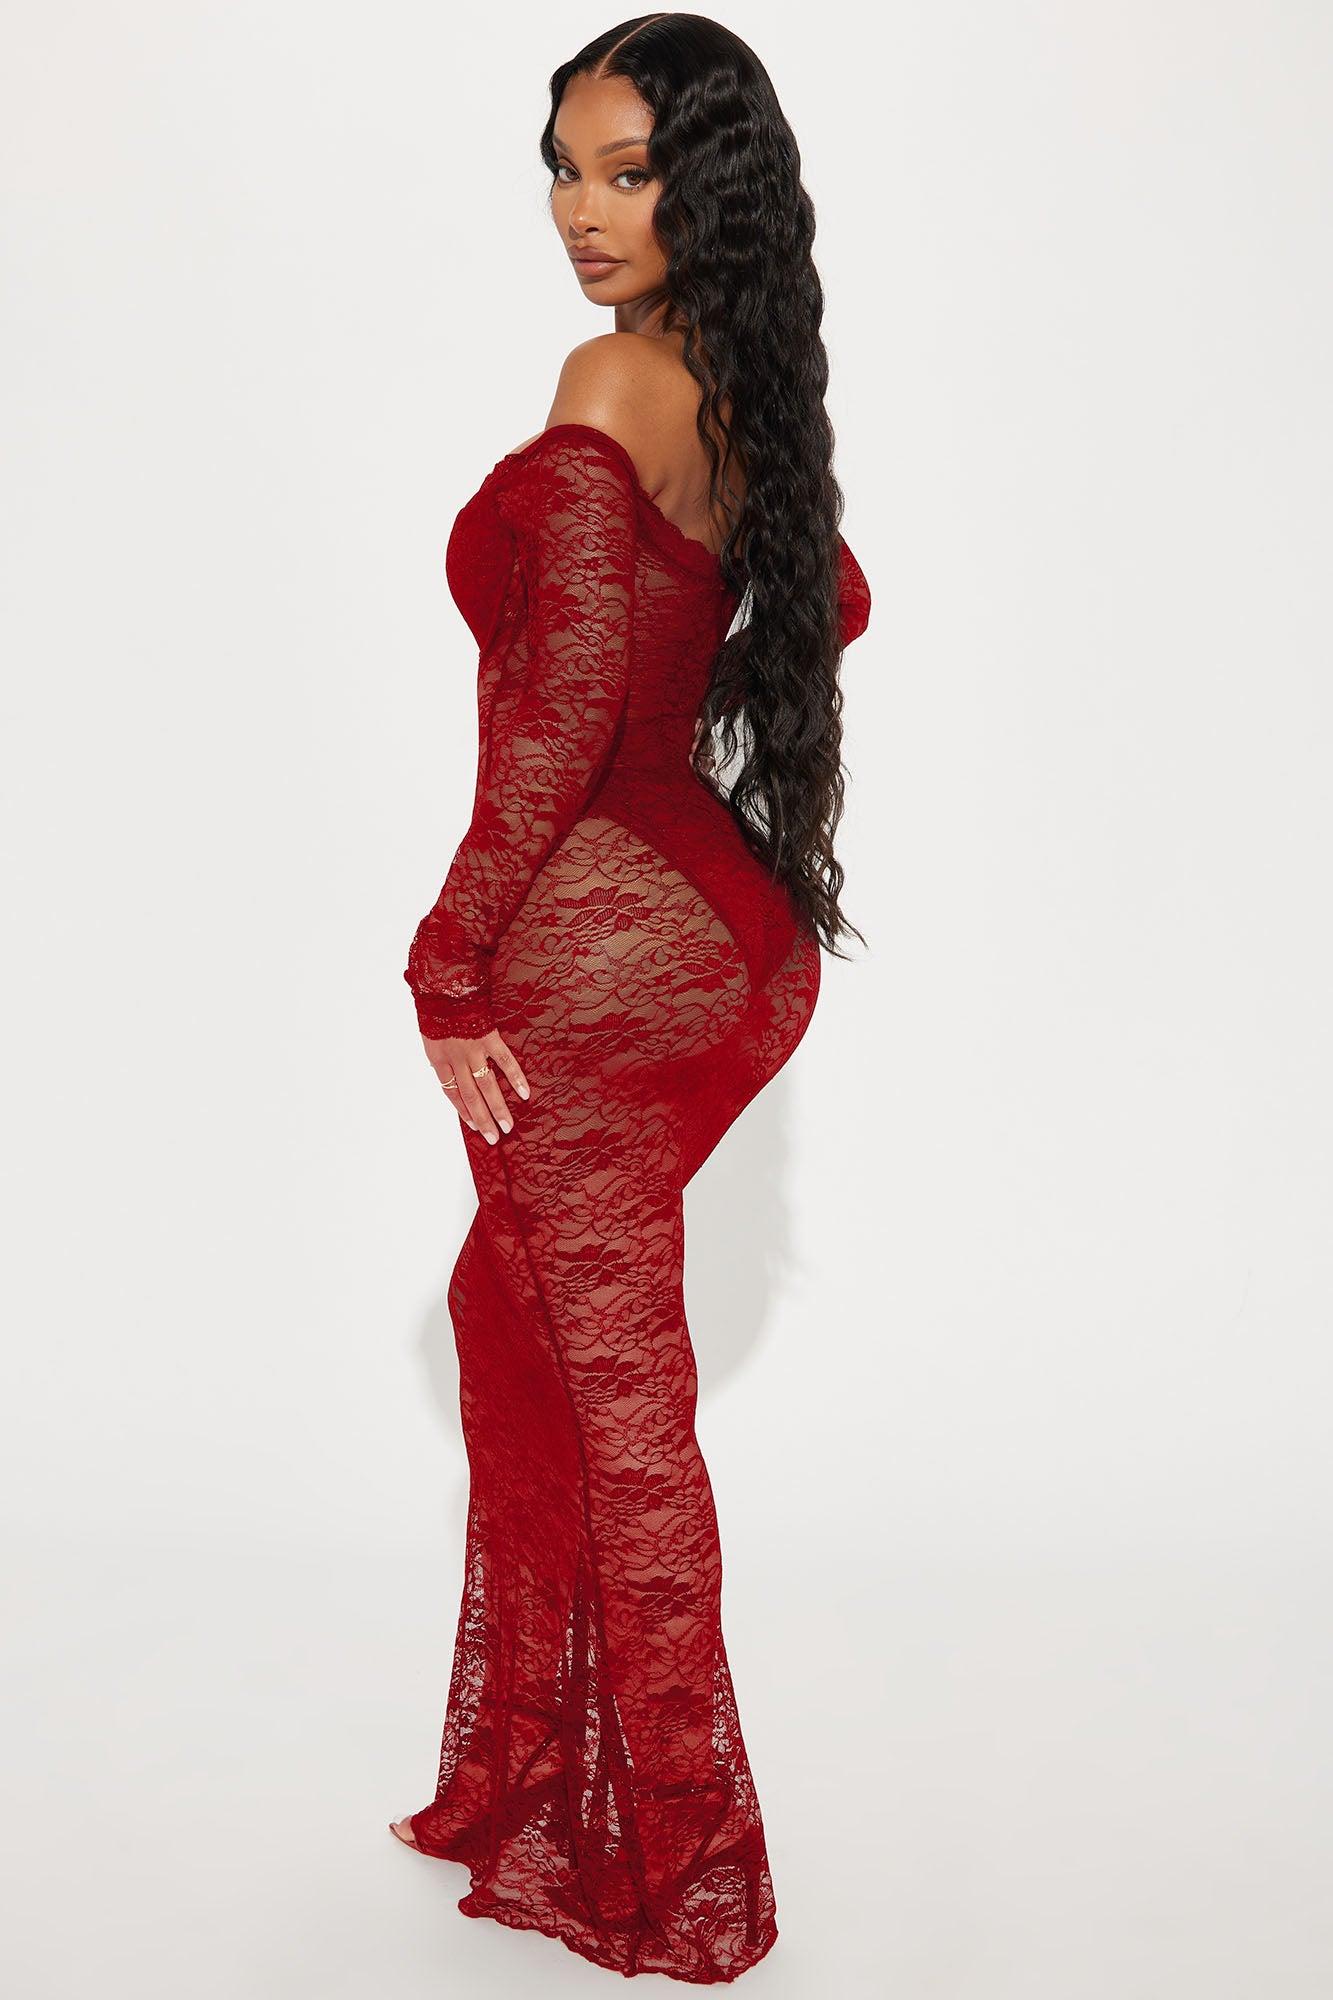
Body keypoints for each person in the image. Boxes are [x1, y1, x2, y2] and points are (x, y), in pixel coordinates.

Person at [389, 14, 871, 1984]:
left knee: (618, 1407)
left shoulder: (609, 380)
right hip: (722, 929)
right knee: (504, 1318)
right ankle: (526, 1773)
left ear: (709, 189)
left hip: (601, 940)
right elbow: (831, 600)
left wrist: (444, 963)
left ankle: (685, 1864)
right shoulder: (737, 385)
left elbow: (562, 721)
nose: (582, 213)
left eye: (629, 171)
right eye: (564, 170)